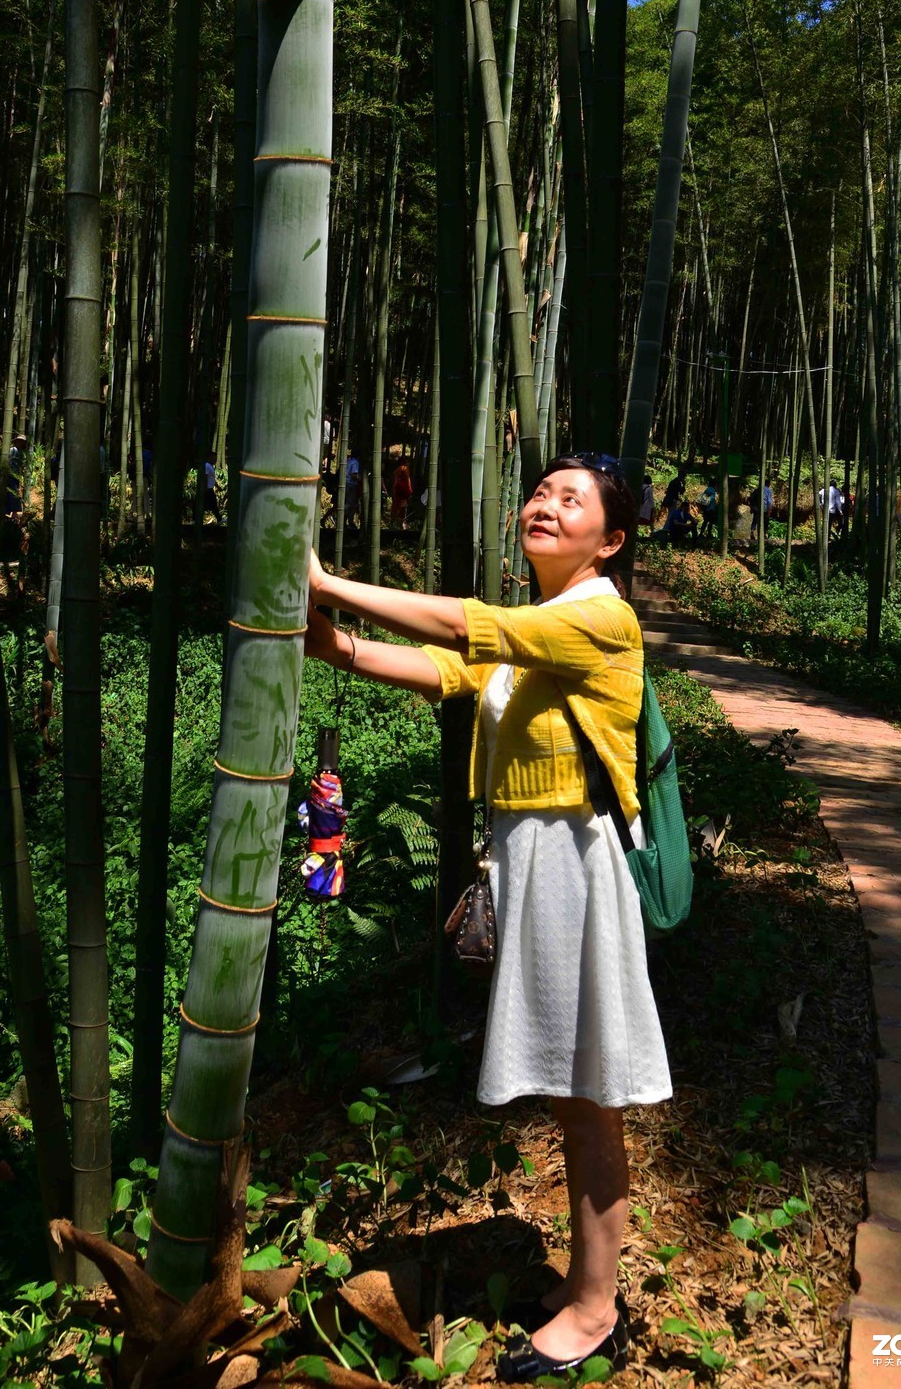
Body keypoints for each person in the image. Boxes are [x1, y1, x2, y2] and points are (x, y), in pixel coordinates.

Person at [305, 454, 669, 1379]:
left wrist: (328, 583)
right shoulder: (537, 628)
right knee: (568, 1090)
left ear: (611, 539)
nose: (545, 506)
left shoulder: (598, 616)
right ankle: (587, 1285)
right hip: (533, 857)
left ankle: (594, 1311)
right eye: (541, 492)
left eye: (571, 500)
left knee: (589, 1096)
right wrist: (336, 647)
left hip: (575, 864)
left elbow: (471, 625)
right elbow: (448, 669)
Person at [390, 457, 413, 530]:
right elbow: (408, 481)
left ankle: (392, 523)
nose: (409, 463)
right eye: (408, 462)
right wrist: (409, 491)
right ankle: (401, 524)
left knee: (395, 507)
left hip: (397, 490)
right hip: (403, 492)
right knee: (403, 508)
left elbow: (395, 480)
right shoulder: (405, 469)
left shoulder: (397, 470)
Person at [344, 450, 362, 528]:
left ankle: (349, 522)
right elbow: (353, 475)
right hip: (351, 484)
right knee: (350, 504)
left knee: (348, 503)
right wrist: (360, 478)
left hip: (345, 483)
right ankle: (344, 521)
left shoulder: (348, 461)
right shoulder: (355, 462)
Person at [203, 453, 218, 517]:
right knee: (213, 503)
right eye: (214, 458)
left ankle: (194, 519)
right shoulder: (207, 465)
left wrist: (218, 486)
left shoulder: (210, 466)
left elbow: (211, 479)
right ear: (210, 457)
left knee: (210, 504)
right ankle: (219, 518)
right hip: (208, 489)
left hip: (209, 488)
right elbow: (205, 477)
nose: (215, 460)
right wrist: (205, 488)